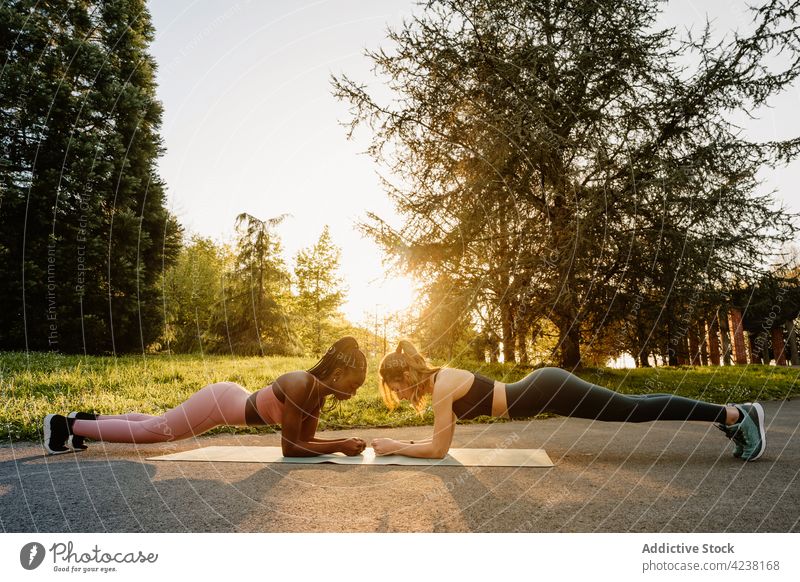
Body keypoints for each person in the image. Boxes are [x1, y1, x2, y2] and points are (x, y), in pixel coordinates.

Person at [370, 340, 766, 461]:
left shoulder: (442, 385)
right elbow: (441, 443)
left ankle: (734, 414)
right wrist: (400, 445)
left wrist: (394, 447)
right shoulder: (443, 382)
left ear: (404, 377)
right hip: (547, 391)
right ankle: (733, 415)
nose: (401, 398)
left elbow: (440, 449)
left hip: (548, 388)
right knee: (635, 406)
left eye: (397, 390)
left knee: (635, 409)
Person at [43, 336, 368, 457]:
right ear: (338, 374)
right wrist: (340, 446)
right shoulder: (302, 385)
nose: (354, 392)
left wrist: (340, 445)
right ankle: (64, 426)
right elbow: (290, 448)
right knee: (152, 433)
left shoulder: (316, 395)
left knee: (155, 424)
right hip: (219, 404)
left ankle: (85, 421)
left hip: (225, 400)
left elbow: (305, 443)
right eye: (354, 384)